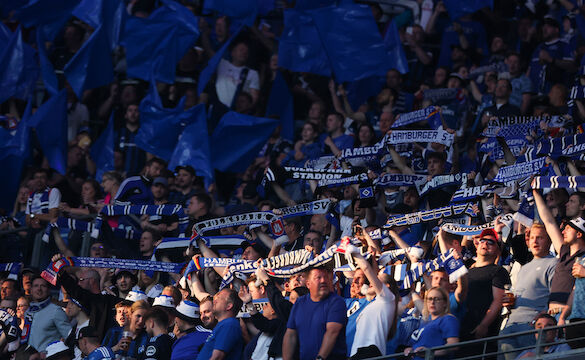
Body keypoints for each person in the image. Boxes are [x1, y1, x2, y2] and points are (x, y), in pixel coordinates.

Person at [498, 224, 557, 359]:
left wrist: (541, 317)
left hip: (531, 327)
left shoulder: (553, 263)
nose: (535, 241)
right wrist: (509, 303)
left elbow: (556, 298)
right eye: (532, 238)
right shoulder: (524, 267)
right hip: (510, 325)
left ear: (549, 240)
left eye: (540, 238)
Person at [347, 243, 399, 359]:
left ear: (387, 286)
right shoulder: (373, 304)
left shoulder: (388, 299)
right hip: (355, 354)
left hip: (371, 352)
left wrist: (355, 253)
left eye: (377, 281)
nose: (371, 282)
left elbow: (367, 269)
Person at [283, 266, 347, 360]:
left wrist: (320, 358)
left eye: (326, 277)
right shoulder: (300, 303)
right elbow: (290, 334)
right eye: (318, 278)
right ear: (308, 284)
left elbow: (332, 332)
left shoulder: (337, 302)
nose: (323, 280)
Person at [404, 287, 459, 360]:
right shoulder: (424, 322)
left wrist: (430, 352)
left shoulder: (448, 319)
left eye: (437, 299)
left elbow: (453, 345)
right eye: (429, 299)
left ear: (445, 303)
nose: (432, 302)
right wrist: (410, 349)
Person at [24, 277, 72, 356]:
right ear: (31, 290)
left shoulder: (56, 311)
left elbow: (70, 338)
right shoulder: (28, 312)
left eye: (43, 286)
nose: (39, 289)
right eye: (36, 286)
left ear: (48, 290)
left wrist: (51, 353)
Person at [196, 289, 244, 360]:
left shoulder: (230, 324)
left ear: (229, 306)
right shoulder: (223, 325)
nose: (214, 301)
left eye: (219, 298)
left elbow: (217, 357)